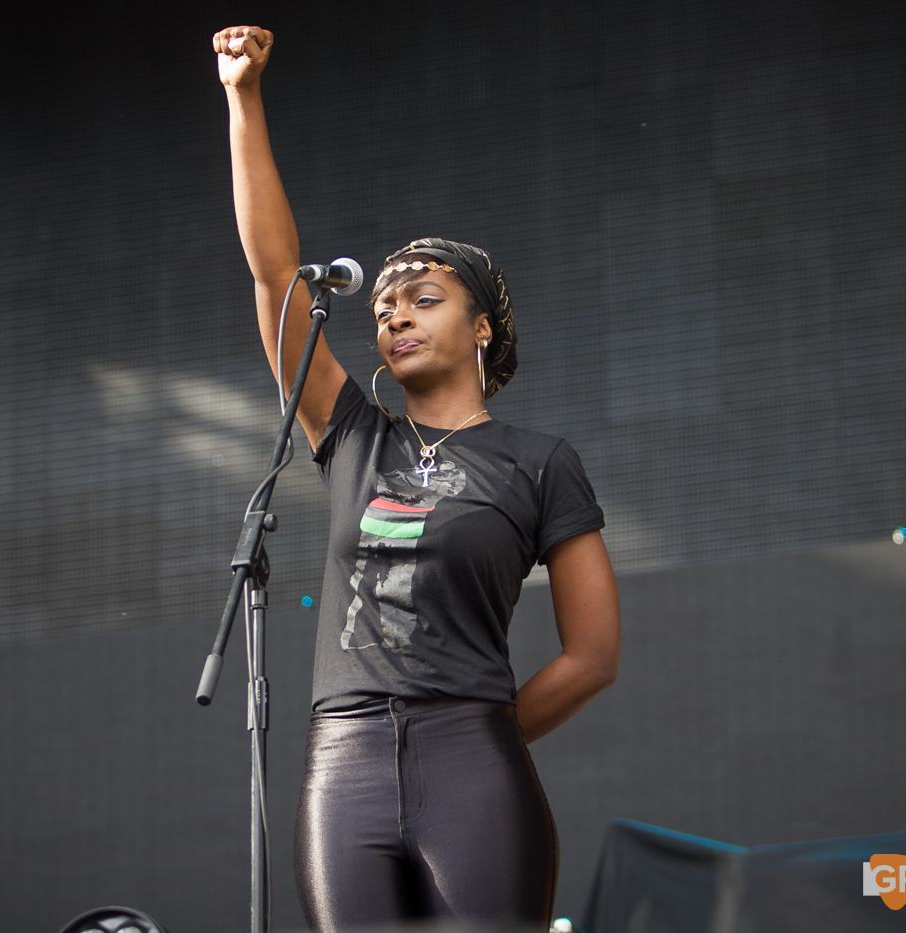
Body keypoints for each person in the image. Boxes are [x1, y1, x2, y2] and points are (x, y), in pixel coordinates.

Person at [213, 24, 621, 932]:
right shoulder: (355, 436)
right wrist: (243, 99)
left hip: (472, 754)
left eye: (424, 301)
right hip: (342, 760)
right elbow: (277, 275)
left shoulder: (539, 462)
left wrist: (486, 733)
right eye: (386, 309)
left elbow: (594, 653)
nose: (395, 318)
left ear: (481, 327)